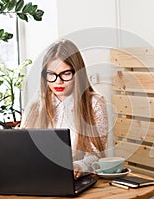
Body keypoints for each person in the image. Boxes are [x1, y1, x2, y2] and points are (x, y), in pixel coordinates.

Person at [20, 39, 109, 179]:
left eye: (65, 74)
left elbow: (96, 155)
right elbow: (22, 147)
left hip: (78, 179)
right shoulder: (36, 105)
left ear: (77, 73)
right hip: (41, 178)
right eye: (51, 74)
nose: (58, 81)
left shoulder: (94, 103)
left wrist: (80, 165)